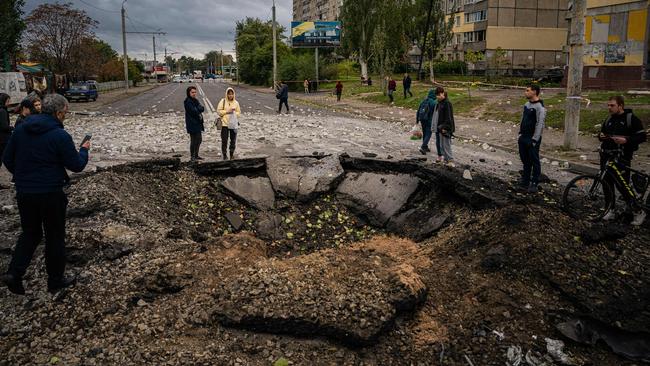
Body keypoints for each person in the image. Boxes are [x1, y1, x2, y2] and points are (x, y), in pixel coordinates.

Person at [1, 94, 90, 295]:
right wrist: (84, 150)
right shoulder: (60, 136)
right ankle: (55, 281)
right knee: (54, 236)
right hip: (50, 192)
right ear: (59, 113)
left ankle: (14, 274)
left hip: (25, 192)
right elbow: (76, 165)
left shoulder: (21, 129)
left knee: (30, 233)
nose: (65, 116)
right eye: (65, 113)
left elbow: (7, 158)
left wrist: (24, 176)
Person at [599, 95, 647, 225]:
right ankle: (610, 209)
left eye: (612, 105)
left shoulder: (631, 119)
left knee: (623, 186)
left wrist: (627, 140)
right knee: (606, 183)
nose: (609, 108)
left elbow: (642, 136)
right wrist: (601, 136)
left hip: (622, 157)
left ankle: (637, 211)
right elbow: (602, 133)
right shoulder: (608, 118)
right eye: (608, 105)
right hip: (606, 156)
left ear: (621, 106)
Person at [517, 84, 546, 193]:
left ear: (534, 92)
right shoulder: (526, 104)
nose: (525, 92)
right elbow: (522, 118)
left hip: (532, 138)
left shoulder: (540, 108)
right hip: (523, 137)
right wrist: (520, 134)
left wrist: (535, 139)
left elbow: (540, 124)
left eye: (527, 90)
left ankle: (534, 182)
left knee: (534, 161)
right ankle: (525, 182)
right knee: (525, 161)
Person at [217, 87, 241, 160]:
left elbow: (239, 113)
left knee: (233, 140)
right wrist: (227, 112)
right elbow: (219, 111)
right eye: (229, 94)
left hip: (233, 124)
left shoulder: (236, 103)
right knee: (224, 140)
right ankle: (224, 155)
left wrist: (234, 113)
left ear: (234, 94)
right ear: (226, 94)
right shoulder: (223, 101)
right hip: (225, 124)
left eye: (232, 94)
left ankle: (231, 154)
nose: (230, 96)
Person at [434, 87, 455, 166]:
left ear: (443, 93)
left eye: (439, 95)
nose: (438, 97)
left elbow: (449, 118)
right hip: (440, 128)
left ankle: (450, 160)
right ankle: (446, 161)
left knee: (446, 145)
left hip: (446, 128)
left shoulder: (447, 103)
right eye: (437, 95)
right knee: (442, 146)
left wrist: (444, 127)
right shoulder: (440, 103)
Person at [184, 86, 205, 162]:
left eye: (195, 92)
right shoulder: (187, 101)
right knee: (193, 140)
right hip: (192, 123)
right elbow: (194, 111)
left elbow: (202, 108)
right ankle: (192, 156)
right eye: (192, 92)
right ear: (188, 93)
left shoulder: (195, 100)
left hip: (198, 123)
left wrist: (198, 109)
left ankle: (196, 155)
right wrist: (198, 109)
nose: (194, 94)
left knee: (199, 139)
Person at [416, 89, 437, 155]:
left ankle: (425, 146)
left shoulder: (424, 101)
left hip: (422, 119)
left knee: (425, 133)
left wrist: (417, 120)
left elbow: (418, 110)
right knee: (428, 134)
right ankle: (423, 146)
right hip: (429, 120)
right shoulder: (433, 103)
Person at [0, 93, 13, 172]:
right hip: (3, 139)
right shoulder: (2, 111)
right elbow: (4, 127)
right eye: (8, 101)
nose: (9, 103)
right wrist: (12, 127)